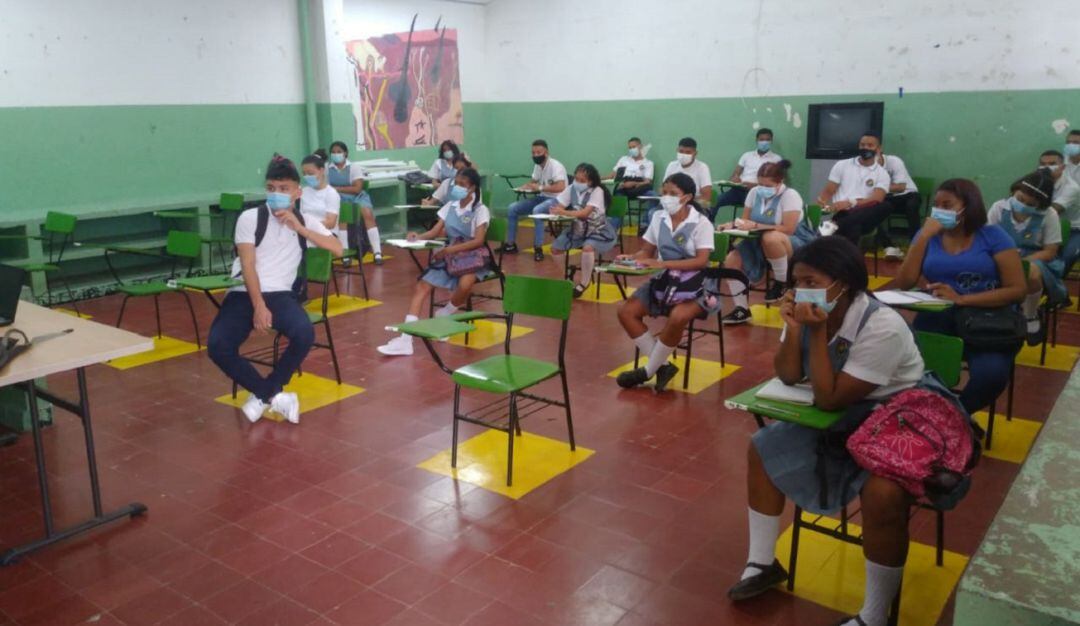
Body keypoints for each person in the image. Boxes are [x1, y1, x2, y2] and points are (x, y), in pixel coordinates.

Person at [728, 236, 927, 626]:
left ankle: (875, 616)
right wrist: (794, 330)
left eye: (812, 282)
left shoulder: (882, 325)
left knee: (884, 492)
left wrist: (815, 333)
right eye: (796, 282)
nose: (801, 290)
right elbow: (789, 375)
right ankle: (762, 563)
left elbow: (831, 399)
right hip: (838, 412)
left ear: (844, 283)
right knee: (762, 447)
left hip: (892, 417)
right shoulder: (807, 311)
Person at [207, 155, 344, 424]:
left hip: (280, 294)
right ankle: (273, 395)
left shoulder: (306, 220)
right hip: (244, 291)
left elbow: (337, 248)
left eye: (283, 189)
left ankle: (265, 393)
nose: (276, 194)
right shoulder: (250, 218)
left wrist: (300, 228)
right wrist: (258, 305)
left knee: (304, 333)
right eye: (271, 188)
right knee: (218, 346)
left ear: (297, 192)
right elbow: (248, 264)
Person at [895, 178, 1026, 414]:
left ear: (968, 207)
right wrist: (923, 237)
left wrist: (962, 299)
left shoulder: (993, 236)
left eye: (947, 205)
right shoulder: (929, 236)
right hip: (938, 315)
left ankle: (954, 417)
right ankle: (935, 418)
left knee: (991, 376)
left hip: (987, 319)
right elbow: (904, 282)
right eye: (936, 205)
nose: (939, 211)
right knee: (912, 370)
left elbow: (1017, 289)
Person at [615, 172, 718, 391]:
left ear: (687, 197)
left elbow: (701, 261)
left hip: (696, 285)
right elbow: (647, 251)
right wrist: (631, 258)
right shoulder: (658, 217)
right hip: (665, 282)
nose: (666, 197)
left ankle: (647, 371)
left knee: (678, 316)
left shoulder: (701, 223)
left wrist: (663, 264)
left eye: (673, 193)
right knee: (625, 311)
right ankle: (662, 367)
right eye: (664, 192)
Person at [377, 168, 491, 357]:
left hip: (472, 257)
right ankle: (405, 340)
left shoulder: (480, 210)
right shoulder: (451, 206)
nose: (457, 187)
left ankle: (445, 313)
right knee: (422, 286)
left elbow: (478, 241)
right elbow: (434, 232)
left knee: (465, 284)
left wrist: (449, 250)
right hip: (450, 256)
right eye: (456, 183)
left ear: (472, 188)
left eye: (462, 185)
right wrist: (417, 237)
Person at [718, 160, 810, 324]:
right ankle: (742, 309)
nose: (762, 188)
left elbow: (788, 229)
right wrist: (731, 225)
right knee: (731, 260)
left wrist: (756, 225)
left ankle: (781, 282)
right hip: (758, 239)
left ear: (780, 182)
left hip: (792, 241)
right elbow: (745, 221)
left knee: (770, 237)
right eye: (760, 184)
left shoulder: (790, 196)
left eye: (768, 185)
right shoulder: (754, 193)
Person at [987, 172, 1066, 344]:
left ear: (1040, 204)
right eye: (1020, 199)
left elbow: (1050, 251)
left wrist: (1020, 262)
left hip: (1037, 259)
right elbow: (986, 240)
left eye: (1031, 204)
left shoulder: (1049, 215)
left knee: (1031, 271)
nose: (1023, 205)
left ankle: (1030, 314)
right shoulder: (999, 208)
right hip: (1001, 255)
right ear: (1015, 190)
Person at [550, 163, 617, 298]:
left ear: (590, 181)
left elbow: (585, 213)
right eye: (576, 179)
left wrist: (564, 212)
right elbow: (560, 205)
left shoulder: (597, 191)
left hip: (597, 230)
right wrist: (555, 211)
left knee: (588, 247)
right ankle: (567, 278)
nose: (578, 182)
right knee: (555, 248)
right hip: (577, 229)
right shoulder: (571, 189)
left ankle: (584, 282)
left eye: (582, 180)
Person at [816, 132, 892, 246]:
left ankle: (833, 226)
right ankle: (838, 230)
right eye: (862, 145)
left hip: (866, 214)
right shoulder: (842, 165)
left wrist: (851, 202)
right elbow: (828, 191)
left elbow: (876, 199)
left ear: (878, 149)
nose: (865, 148)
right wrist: (820, 206)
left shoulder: (882, 174)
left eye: (870, 145)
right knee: (854, 227)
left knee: (886, 206)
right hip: (843, 213)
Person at [499, 139, 568, 261]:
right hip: (542, 197)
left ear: (546, 152)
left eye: (538, 152)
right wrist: (525, 186)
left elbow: (561, 187)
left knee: (537, 210)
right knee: (512, 208)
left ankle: (538, 248)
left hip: (557, 199)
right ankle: (510, 244)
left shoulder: (556, 166)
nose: (535, 155)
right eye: (533, 153)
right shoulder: (538, 166)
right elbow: (534, 181)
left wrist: (540, 187)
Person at [327, 140, 384, 265]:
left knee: (367, 213)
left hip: (357, 197)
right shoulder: (327, 168)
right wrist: (337, 191)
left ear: (345, 153)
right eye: (333, 152)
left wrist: (336, 188)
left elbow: (357, 188)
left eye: (339, 152)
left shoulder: (354, 167)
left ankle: (377, 252)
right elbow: (325, 187)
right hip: (338, 198)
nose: (336, 154)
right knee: (342, 216)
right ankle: (345, 254)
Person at [642, 137, 714, 230]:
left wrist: (683, 202)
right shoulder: (672, 166)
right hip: (672, 204)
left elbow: (707, 197)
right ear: (677, 150)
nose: (684, 155)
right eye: (681, 151)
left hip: (693, 205)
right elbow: (663, 189)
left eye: (688, 152)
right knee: (653, 214)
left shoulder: (702, 168)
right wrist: (668, 199)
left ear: (695, 153)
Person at [713, 128, 783, 217]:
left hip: (759, 193)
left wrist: (752, 185)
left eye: (767, 140)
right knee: (714, 201)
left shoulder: (776, 159)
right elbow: (735, 174)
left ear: (771, 141)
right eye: (761, 139)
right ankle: (708, 223)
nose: (764, 142)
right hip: (738, 191)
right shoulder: (747, 155)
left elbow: (777, 183)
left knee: (757, 212)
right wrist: (735, 179)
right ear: (756, 140)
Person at [1039, 149, 1080, 277]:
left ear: (1062, 167)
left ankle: (1056, 286)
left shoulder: (1071, 188)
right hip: (1047, 227)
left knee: (1065, 258)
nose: (1046, 168)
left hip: (1075, 230)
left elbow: (1052, 211)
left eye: (1052, 164)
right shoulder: (1037, 182)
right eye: (1043, 164)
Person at [876, 150, 920, 261]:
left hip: (909, 194)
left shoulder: (894, 161)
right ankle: (890, 247)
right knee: (870, 211)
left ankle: (916, 246)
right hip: (889, 198)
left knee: (912, 206)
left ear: (880, 152)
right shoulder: (866, 168)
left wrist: (878, 187)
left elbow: (900, 187)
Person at [299, 150, 343, 247]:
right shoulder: (303, 192)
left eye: (310, 173)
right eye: (304, 174)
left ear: (321, 170)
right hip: (306, 232)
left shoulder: (331, 193)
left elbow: (330, 223)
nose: (307, 177)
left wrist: (308, 228)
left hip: (327, 234)